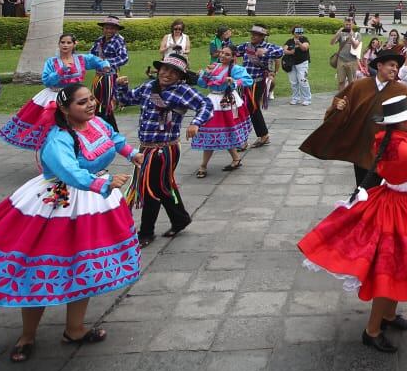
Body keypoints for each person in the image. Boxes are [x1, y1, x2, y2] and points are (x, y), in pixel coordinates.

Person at [0, 85, 142, 361]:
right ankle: (28, 334)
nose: (90, 105)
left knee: (83, 265)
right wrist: (104, 182)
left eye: (90, 99)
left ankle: (74, 328)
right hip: (58, 203)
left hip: (93, 203)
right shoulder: (58, 139)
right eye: (82, 102)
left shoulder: (97, 123)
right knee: (39, 265)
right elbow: (69, 171)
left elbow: (114, 139)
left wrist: (132, 153)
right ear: (65, 109)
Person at [298, 97, 407, 353]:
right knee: (389, 271)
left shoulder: (392, 140)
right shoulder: (400, 147)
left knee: (400, 267)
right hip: (403, 208)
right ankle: (373, 330)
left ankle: (388, 316)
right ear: (399, 123)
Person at [113, 52, 213, 246]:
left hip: (164, 149)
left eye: (174, 72)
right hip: (145, 147)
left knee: (152, 188)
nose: (167, 74)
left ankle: (146, 232)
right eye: (165, 69)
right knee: (162, 185)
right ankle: (180, 218)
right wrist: (121, 86)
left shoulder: (183, 90)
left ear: (180, 76)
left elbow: (205, 104)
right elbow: (127, 100)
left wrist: (196, 123)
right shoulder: (149, 87)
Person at [301, 48, 407, 187]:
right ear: (379, 65)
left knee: (380, 188)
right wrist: (339, 106)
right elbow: (341, 105)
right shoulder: (359, 86)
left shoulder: (401, 90)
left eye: (397, 67)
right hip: (362, 145)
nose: (395, 69)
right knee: (362, 187)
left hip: (387, 148)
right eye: (391, 65)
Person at [0, 33, 110, 150]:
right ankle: (55, 152)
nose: (65, 45)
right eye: (63, 42)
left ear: (74, 44)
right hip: (54, 96)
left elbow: (97, 61)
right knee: (54, 126)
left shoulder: (81, 59)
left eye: (69, 42)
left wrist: (104, 65)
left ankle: (82, 149)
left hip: (75, 96)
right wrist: (60, 71)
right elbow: (46, 81)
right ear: (59, 44)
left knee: (81, 123)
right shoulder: (51, 62)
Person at [192, 46, 253, 176]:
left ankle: (204, 166)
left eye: (227, 54)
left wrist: (234, 81)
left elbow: (248, 80)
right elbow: (202, 84)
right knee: (212, 131)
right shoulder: (214, 67)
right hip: (212, 101)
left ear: (232, 57)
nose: (223, 56)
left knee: (225, 130)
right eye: (222, 53)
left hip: (227, 102)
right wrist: (205, 74)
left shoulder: (235, 69)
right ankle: (232, 159)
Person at [235, 25, 283, 146]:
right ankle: (256, 136)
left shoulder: (268, 46)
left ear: (262, 37)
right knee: (245, 108)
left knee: (253, 108)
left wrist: (266, 52)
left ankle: (260, 136)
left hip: (258, 82)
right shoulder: (246, 46)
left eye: (256, 34)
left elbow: (280, 51)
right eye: (252, 34)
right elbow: (233, 50)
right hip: (244, 82)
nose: (253, 36)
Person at [89, 16, 130, 130]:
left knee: (107, 104)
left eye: (112, 28)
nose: (109, 30)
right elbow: (91, 54)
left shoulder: (118, 41)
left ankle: (110, 131)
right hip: (98, 76)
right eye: (107, 28)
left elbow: (124, 58)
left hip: (110, 76)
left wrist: (106, 63)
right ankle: (102, 129)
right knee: (97, 103)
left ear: (116, 29)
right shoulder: (99, 40)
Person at [284, 27, 312, 107]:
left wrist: (299, 43)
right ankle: (295, 98)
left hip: (302, 63)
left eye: (300, 32)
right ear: (294, 33)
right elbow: (284, 50)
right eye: (297, 32)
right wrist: (290, 52)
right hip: (291, 64)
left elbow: (305, 48)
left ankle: (307, 99)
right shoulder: (289, 41)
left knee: (303, 81)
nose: (299, 34)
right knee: (293, 82)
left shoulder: (304, 39)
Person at [331, 19, 360, 92]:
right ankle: (340, 97)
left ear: (352, 25)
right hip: (341, 60)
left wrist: (351, 37)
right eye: (346, 24)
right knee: (341, 81)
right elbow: (332, 43)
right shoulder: (341, 34)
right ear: (344, 24)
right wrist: (338, 32)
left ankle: (351, 99)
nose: (348, 26)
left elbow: (355, 46)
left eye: (349, 24)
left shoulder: (357, 34)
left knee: (352, 83)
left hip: (352, 61)